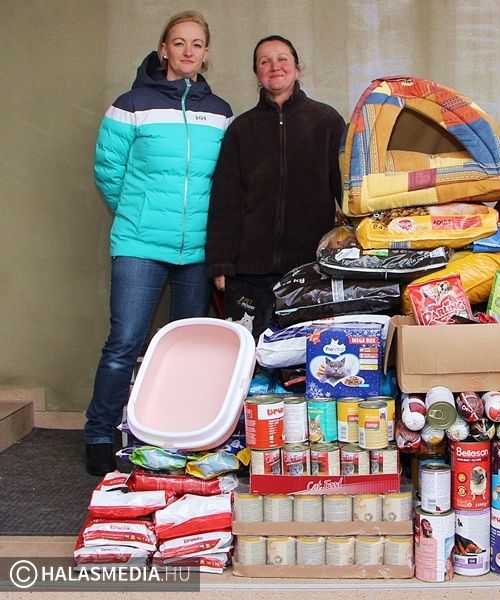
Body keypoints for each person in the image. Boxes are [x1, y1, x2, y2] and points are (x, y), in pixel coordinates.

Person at [85, 11, 233, 475]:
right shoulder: (130, 104)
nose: (188, 51)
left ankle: (179, 435)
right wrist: (139, 211)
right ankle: (99, 433)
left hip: (198, 252)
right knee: (124, 342)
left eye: (197, 44)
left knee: (188, 349)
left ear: (206, 54)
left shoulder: (221, 112)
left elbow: (226, 181)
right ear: (163, 49)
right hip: (140, 244)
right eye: (179, 42)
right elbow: (108, 171)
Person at [206, 35, 346, 340]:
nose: (274, 66)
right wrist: (220, 263)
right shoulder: (241, 129)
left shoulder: (327, 122)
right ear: (257, 74)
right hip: (249, 274)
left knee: (308, 356)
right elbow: (225, 200)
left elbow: (348, 193)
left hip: (312, 270)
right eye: (264, 61)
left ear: (297, 68)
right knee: (250, 354)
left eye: (282, 59)